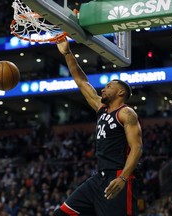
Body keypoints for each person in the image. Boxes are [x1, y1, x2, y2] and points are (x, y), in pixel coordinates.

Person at [54, 38, 143, 216]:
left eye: (108, 87)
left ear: (121, 92)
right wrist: (67, 53)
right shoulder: (101, 108)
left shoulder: (126, 113)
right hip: (99, 178)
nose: (103, 89)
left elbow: (137, 147)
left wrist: (123, 178)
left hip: (118, 176)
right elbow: (81, 82)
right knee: (61, 214)